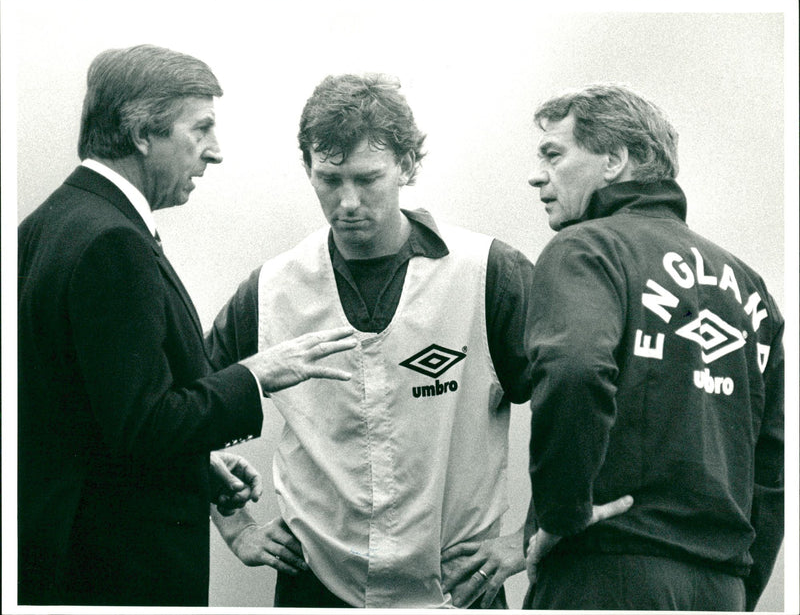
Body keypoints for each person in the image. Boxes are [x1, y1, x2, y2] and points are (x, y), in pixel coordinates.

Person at [17, 44, 357, 606]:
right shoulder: (112, 242)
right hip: (116, 571)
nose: (215, 152)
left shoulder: (46, 224)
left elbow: (89, 419)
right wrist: (255, 374)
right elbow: (144, 425)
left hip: (56, 558)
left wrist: (192, 466)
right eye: (200, 129)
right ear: (142, 133)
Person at [207, 72, 537, 609]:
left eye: (368, 178)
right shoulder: (273, 288)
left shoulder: (486, 273)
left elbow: (572, 402)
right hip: (316, 584)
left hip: (455, 588)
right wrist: (236, 527)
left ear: (407, 165)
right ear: (308, 169)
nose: (349, 202)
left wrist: (530, 534)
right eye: (330, 179)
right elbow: (183, 405)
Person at [522, 83, 784, 611]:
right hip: (721, 588)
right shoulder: (751, 287)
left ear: (614, 160)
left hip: (605, 572)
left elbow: (573, 369)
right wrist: (739, 587)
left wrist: (562, 515)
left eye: (554, 154)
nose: (537, 174)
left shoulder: (587, 247)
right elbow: (775, 464)